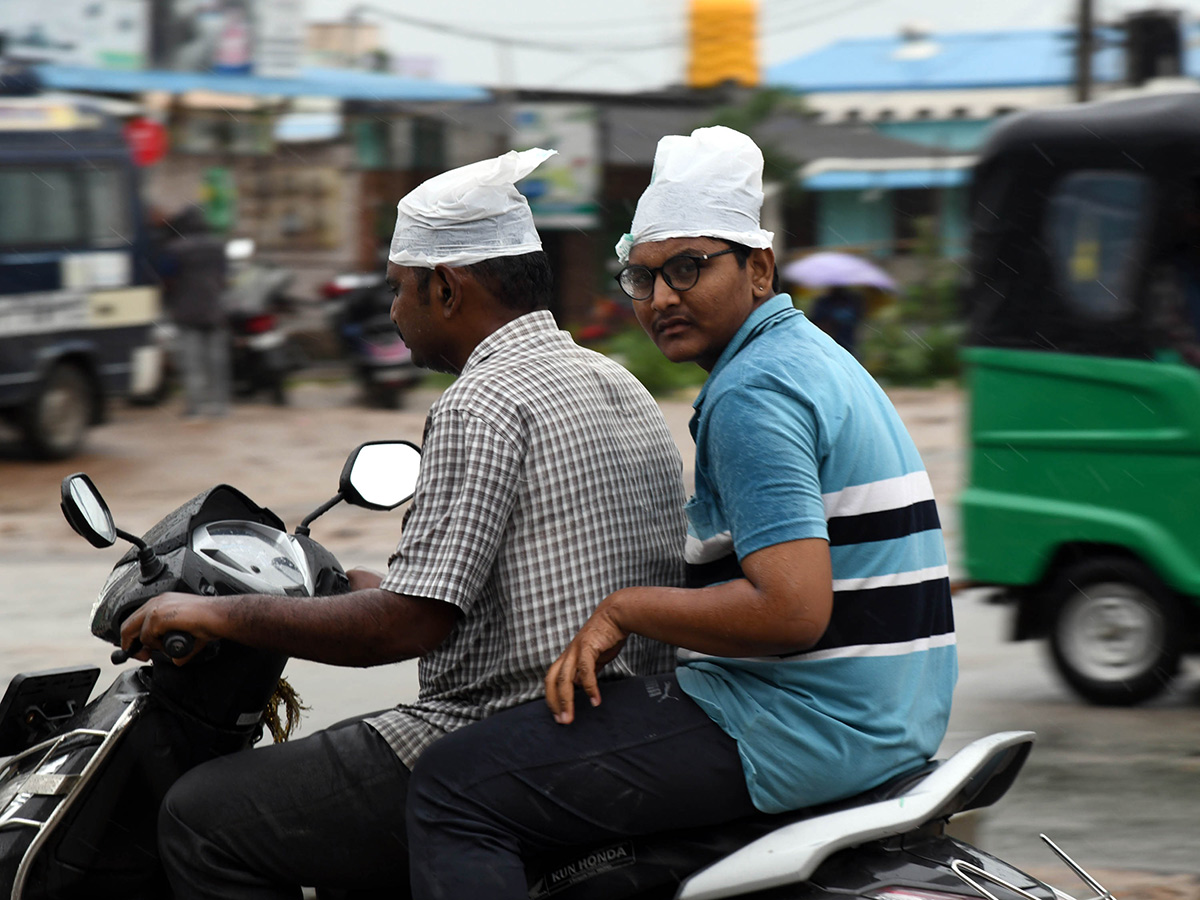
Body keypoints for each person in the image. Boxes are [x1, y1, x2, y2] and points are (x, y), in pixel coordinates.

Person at [403, 126, 958, 900]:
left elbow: (792, 611)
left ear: (759, 268)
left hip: (806, 726)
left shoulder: (754, 393)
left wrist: (623, 611)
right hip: (887, 717)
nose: (662, 298)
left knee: (453, 787)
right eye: (643, 276)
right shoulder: (812, 357)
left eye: (689, 269)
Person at [119, 148, 688, 898]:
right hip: (620, 725)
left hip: (500, 728)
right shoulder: (614, 379)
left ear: (445, 288)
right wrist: (360, 585)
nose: (393, 311)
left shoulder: (480, 404)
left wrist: (218, 613)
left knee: (201, 816)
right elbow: (522, 578)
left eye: (398, 290)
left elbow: (405, 630)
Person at [158, 205, 231, 419]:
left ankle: (195, 407)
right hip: (215, 311)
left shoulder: (175, 249)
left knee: (192, 363)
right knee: (217, 362)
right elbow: (225, 277)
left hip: (186, 312)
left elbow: (166, 278)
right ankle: (220, 407)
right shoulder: (219, 247)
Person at [808, 284, 865, 355]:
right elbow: (816, 320)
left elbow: (858, 319)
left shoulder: (852, 301)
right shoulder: (823, 302)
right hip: (828, 342)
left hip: (846, 341)